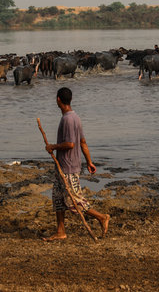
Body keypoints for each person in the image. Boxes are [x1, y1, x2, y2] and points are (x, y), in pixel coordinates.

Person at [43, 87, 110, 241]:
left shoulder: (68, 119)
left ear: (58, 99)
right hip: (63, 166)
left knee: (74, 200)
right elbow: (83, 142)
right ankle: (61, 231)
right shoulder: (75, 117)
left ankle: (101, 217)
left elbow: (71, 144)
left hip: (69, 166)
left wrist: (53, 147)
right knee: (58, 199)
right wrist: (89, 162)